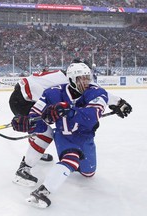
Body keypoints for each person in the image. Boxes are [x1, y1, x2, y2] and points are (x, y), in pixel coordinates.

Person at [11, 62, 132, 208]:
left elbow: (91, 117)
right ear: (71, 80)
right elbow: (37, 115)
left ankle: (77, 166)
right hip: (64, 136)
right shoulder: (52, 93)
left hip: (84, 137)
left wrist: (70, 111)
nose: (86, 82)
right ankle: (42, 192)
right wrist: (29, 123)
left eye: (87, 78)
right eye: (81, 79)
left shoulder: (97, 93)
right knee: (71, 158)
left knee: (88, 173)